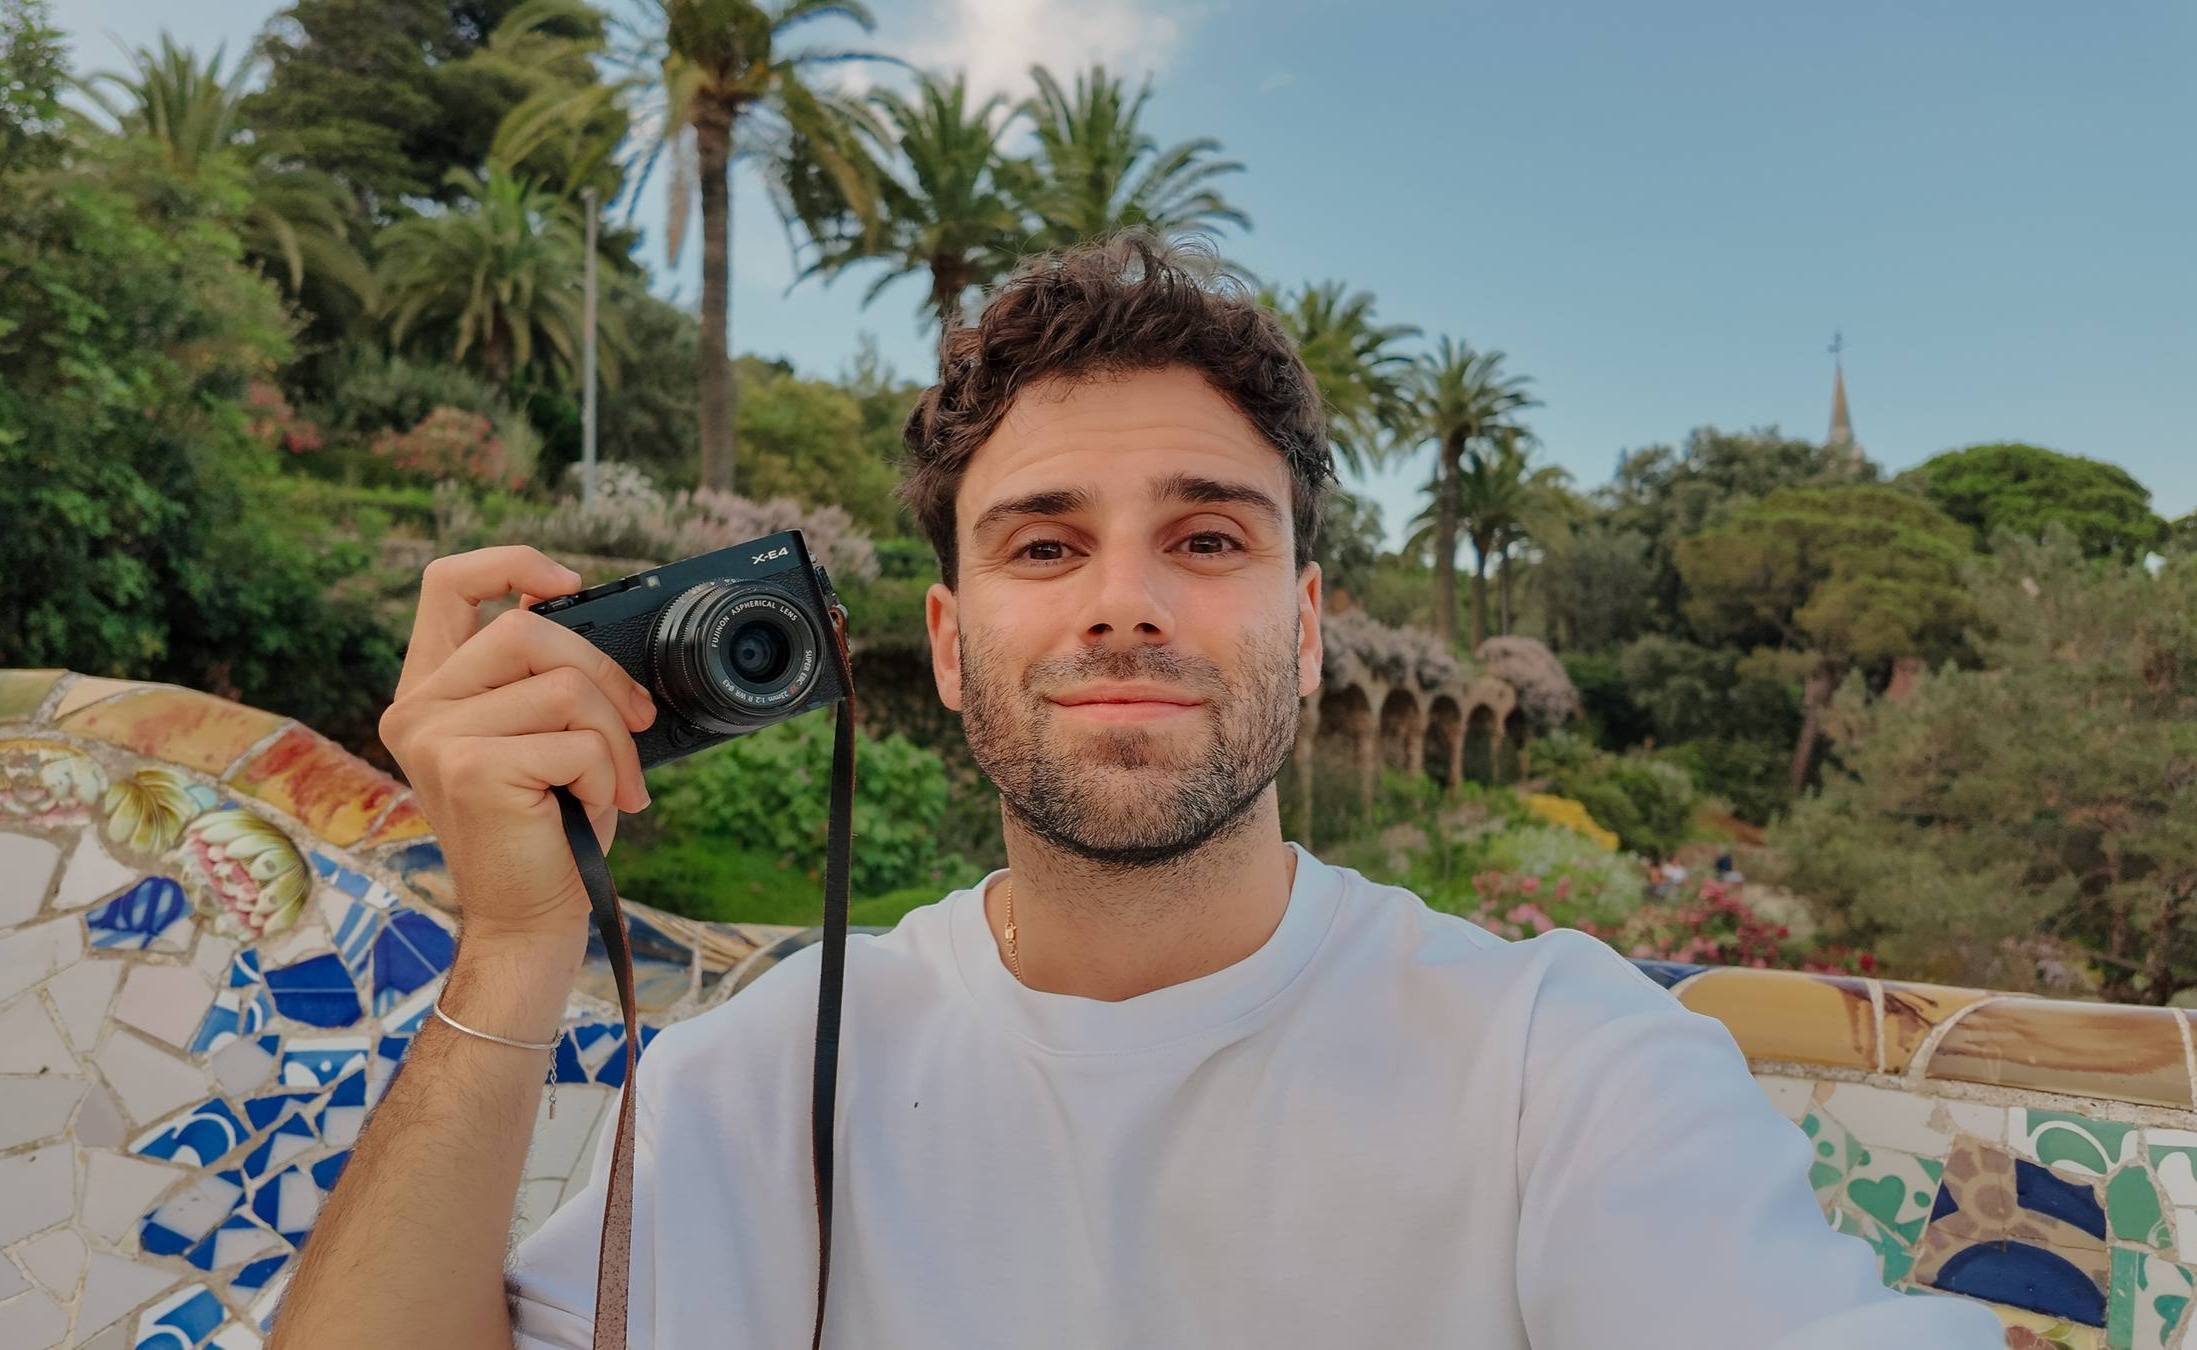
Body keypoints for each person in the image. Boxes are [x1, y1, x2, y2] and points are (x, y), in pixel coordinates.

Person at [267, 233, 2004, 1349]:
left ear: (1305, 632)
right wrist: (514, 950)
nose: (1122, 601)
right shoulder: (763, 1075)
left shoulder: (1558, 1065)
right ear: (948, 645)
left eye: (1206, 538)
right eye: (1043, 544)